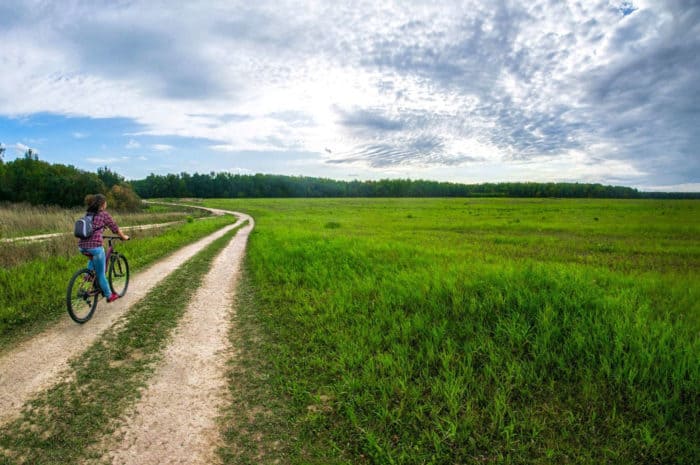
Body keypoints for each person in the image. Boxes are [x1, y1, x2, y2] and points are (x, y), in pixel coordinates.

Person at [78, 194, 130, 303]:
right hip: (95, 247)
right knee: (101, 273)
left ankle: (88, 277)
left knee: (93, 259)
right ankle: (109, 295)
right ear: (102, 204)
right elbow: (115, 228)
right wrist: (124, 237)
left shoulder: (88, 214)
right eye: (105, 202)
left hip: (82, 246)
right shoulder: (103, 214)